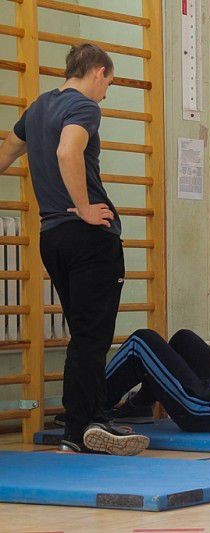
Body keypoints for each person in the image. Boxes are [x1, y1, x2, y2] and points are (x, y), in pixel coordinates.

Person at [0, 43, 148, 455]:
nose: (106, 94)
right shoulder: (84, 106)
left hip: (53, 238)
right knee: (92, 336)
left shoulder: (38, 108)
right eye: (109, 84)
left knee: (83, 334)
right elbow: (68, 151)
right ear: (98, 72)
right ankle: (86, 424)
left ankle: (84, 420)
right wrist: (83, 207)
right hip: (88, 238)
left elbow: (7, 151)